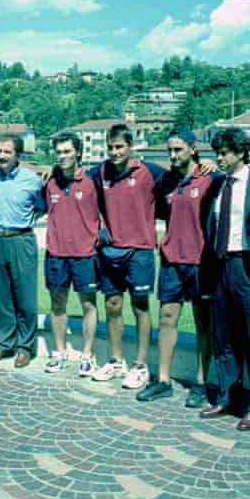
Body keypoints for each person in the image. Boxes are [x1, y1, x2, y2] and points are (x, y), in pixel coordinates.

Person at [200, 127, 250, 431]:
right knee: (224, 336)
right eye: (217, 152)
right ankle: (226, 395)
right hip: (221, 266)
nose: (220, 157)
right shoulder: (217, 186)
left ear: (242, 152)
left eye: (226, 152)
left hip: (249, 267)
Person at [136, 129, 220, 404]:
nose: (173, 155)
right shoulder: (166, 181)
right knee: (166, 319)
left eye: (178, 150)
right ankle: (162, 380)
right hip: (172, 261)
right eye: (170, 150)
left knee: (203, 324)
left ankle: (201, 382)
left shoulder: (211, 178)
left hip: (200, 262)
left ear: (193, 149)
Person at [88, 124, 167, 389]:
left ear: (130, 146)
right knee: (112, 305)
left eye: (119, 147)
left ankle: (141, 365)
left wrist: (205, 167)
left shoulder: (149, 172)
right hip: (111, 251)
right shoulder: (100, 172)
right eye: (110, 147)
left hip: (141, 251)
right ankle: (116, 360)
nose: (114, 152)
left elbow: (182, 179)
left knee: (140, 306)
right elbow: (74, 177)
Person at [0, 134, 44, 368]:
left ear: (18, 154)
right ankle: (3, 345)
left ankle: (25, 348)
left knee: (25, 298)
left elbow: (42, 206)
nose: (2, 156)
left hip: (22, 240)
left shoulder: (32, 180)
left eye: (7, 152)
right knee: (1, 297)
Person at [41, 132, 101, 376]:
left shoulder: (92, 180)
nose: (63, 156)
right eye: (59, 152)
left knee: (88, 304)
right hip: (56, 253)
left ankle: (87, 355)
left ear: (77, 152)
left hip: (85, 253)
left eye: (67, 151)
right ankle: (59, 353)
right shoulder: (50, 182)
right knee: (58, 304)